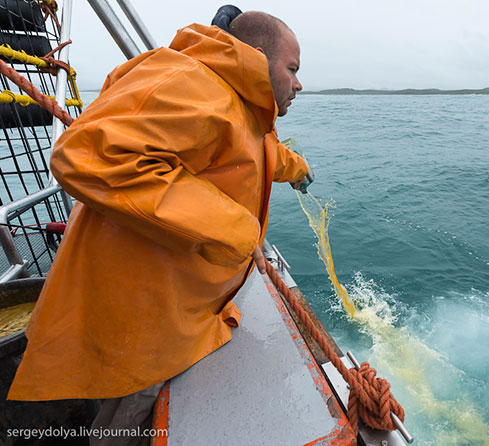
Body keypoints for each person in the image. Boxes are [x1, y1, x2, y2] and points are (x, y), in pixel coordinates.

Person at [7, 7, 308, 445]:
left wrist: (297, 169)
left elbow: (256, 150)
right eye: (293, 68)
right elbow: (89, 154)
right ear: (259, 55)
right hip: (145, 322)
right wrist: (238, 229)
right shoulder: (195, 84)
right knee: (123, 421)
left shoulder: (239, 102)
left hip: (181, 310)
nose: (299, 82)